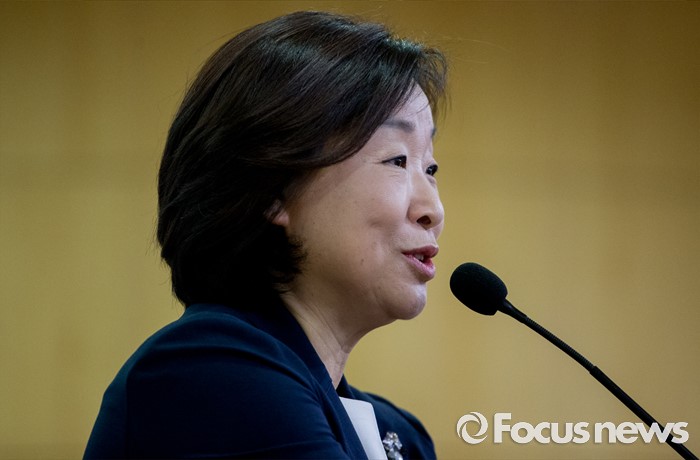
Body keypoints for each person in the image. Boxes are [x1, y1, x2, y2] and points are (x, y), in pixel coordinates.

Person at [84, 10, 447, 459]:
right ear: (274, 188)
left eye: (431, 168)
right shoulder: (208, 371)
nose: (433, 210)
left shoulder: (400, 436)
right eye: (397, 161)